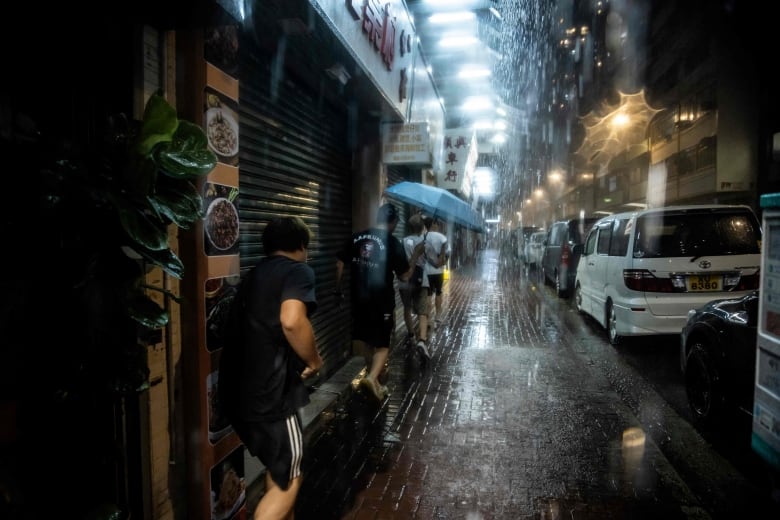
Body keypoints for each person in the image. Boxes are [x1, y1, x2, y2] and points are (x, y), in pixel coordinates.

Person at [219, 216, 323, 520]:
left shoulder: (254, 274)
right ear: (301, 246)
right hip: (271, 396)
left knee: (278, 467)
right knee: (290, 477)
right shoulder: (297, 271)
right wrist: (315, 360)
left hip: (235, 394)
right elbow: (292, 320)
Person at [335, 202, 424, 402]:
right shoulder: (392, 243)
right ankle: (372, 376)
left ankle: (372, 380)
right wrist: (416, 255)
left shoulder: (357, 237)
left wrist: (337, 290)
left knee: (367, 340)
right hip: (381, 300)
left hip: (358, 299)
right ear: (393, 222)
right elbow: (405, 276)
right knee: (383, 344)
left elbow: (340, 262)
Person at [399, 213, 431, 360]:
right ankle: (422, 340)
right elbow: (431, 260)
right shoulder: (425, 242)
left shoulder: (402, 241)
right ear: (422, 227)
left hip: (405, 281)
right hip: (421, 280)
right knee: (422, 311)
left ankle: (411, 334)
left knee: (406, 307)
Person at [422, 216, 449, 326]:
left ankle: (428, 319)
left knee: (428, 294)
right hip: (438, 271)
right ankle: (438, 316)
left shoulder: (423, 237)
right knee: (438, 292)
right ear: (433, 224)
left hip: (426, 271)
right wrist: (442, 261)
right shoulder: (442, 237)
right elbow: (448, 252)